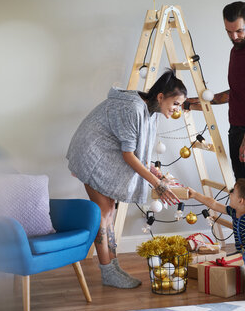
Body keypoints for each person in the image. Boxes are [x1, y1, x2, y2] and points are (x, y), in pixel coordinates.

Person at [66, 70, 186, 289]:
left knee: (110, 211)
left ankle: (113, 266)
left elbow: (135, 151)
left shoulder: (149, 111)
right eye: (176, 103)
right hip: (93, 153)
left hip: (106, 151)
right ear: (161, 97)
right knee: (103, 214)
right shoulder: (132, 108)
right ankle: (108, 271)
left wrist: (154, 173)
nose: (177, 109)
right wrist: (156, 183)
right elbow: (129, 155)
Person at [184, 1, 245, 233]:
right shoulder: (235, 50)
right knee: (240, 192)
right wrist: (194, 103)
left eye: (239, 30)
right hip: (236, 129)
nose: (234, 36)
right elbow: (234, 94)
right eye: (229, 32)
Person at [188, 178, 245, 300]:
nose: (229, 193)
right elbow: (214, 204)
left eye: (233, 191)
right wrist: (195, 195)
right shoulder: (235, 211)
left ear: (240, 201)